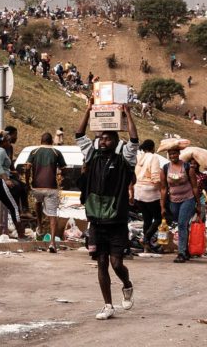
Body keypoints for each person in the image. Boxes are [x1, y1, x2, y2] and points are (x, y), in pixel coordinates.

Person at [76, 98, 139, 320]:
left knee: (116, 263)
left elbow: (133, 140)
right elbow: (79, 135)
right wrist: (87, 109)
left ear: (115, 140)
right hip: (96, 220)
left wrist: (127, 114)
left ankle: (127, 283)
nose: (103, 141)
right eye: (101, 138)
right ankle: (108, 305)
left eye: (107, 138)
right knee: (101, 263)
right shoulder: (92, 157)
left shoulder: (125, 160)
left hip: (117, 221)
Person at [25, 133, 67, 253]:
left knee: (38, 201)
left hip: (37, 186)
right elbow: (64, 169)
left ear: (41, 140)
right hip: (51, 187)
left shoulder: (34, 152)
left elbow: (27, 168)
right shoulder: (56, 153)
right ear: (51, 141)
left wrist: (28, 183)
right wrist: (61, 178)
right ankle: (52, 242)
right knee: (52, 215)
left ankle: (39, 225)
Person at [160, 147, 201, 263]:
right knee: (181, 223)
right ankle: (186, 250)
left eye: (175, 153)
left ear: (179, 154)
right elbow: (163, 189)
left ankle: (181, 253)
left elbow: (194, 187)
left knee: (182, 224)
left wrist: (198, 204)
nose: (173, 156)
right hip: (173, 201)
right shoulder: (165, 168)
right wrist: (162, 206)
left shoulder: (187, 167)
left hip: (188, 199)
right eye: (170, 154)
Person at [130, 140, 162, 253]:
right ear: (152, 148)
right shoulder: (154, 158)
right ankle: (146, 238)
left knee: (147, 219)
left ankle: (146, 247)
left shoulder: (138, 157)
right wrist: (161, 189)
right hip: (150, 192)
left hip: (138, 191)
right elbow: (155, 177)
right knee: (158, 218)